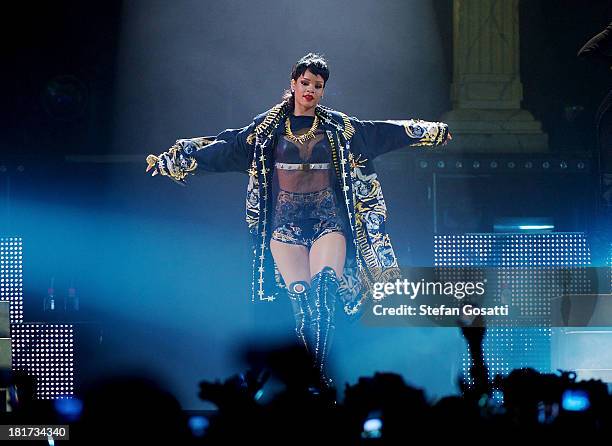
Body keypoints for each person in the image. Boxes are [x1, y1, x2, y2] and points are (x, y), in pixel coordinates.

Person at [146, 53, 451, 390]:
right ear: (293, 84)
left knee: (324, 295)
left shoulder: (339, 128)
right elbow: (226, 148)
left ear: (323, 91)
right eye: (305, 83)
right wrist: (174, 160)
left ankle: (318, 382)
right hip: (284, 228)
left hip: (327, 223)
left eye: (317, 86)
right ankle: (307, 383)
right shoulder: (265, 129)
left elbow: (382, 133)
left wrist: (429, 131)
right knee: (304, 305)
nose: (310, 90)